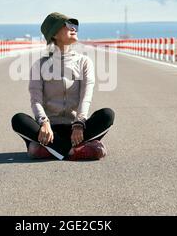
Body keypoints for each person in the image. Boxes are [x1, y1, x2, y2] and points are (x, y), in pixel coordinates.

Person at [11, 12, 115, 161]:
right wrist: (44, 122)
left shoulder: (84, 62)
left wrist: (79, 124)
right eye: (68, 25)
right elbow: (36, 100)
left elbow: (86, 97)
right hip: (49, 130)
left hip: (76, 130)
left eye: (75, 26)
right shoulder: (39, 65)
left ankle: (48, 149)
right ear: (54, 34)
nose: (74, 29)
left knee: (107, 115)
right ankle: (74, 151)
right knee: (18, 120)